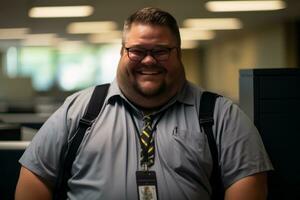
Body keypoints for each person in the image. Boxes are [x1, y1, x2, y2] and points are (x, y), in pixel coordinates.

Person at [15, 7, 273, 200]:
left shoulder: (222, 116)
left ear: (178, 53)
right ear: (122, 52)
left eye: (160, 51)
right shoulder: (79, 110)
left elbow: (248, 187)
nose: (148, 61)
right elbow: (34, 180)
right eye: (137, 51)